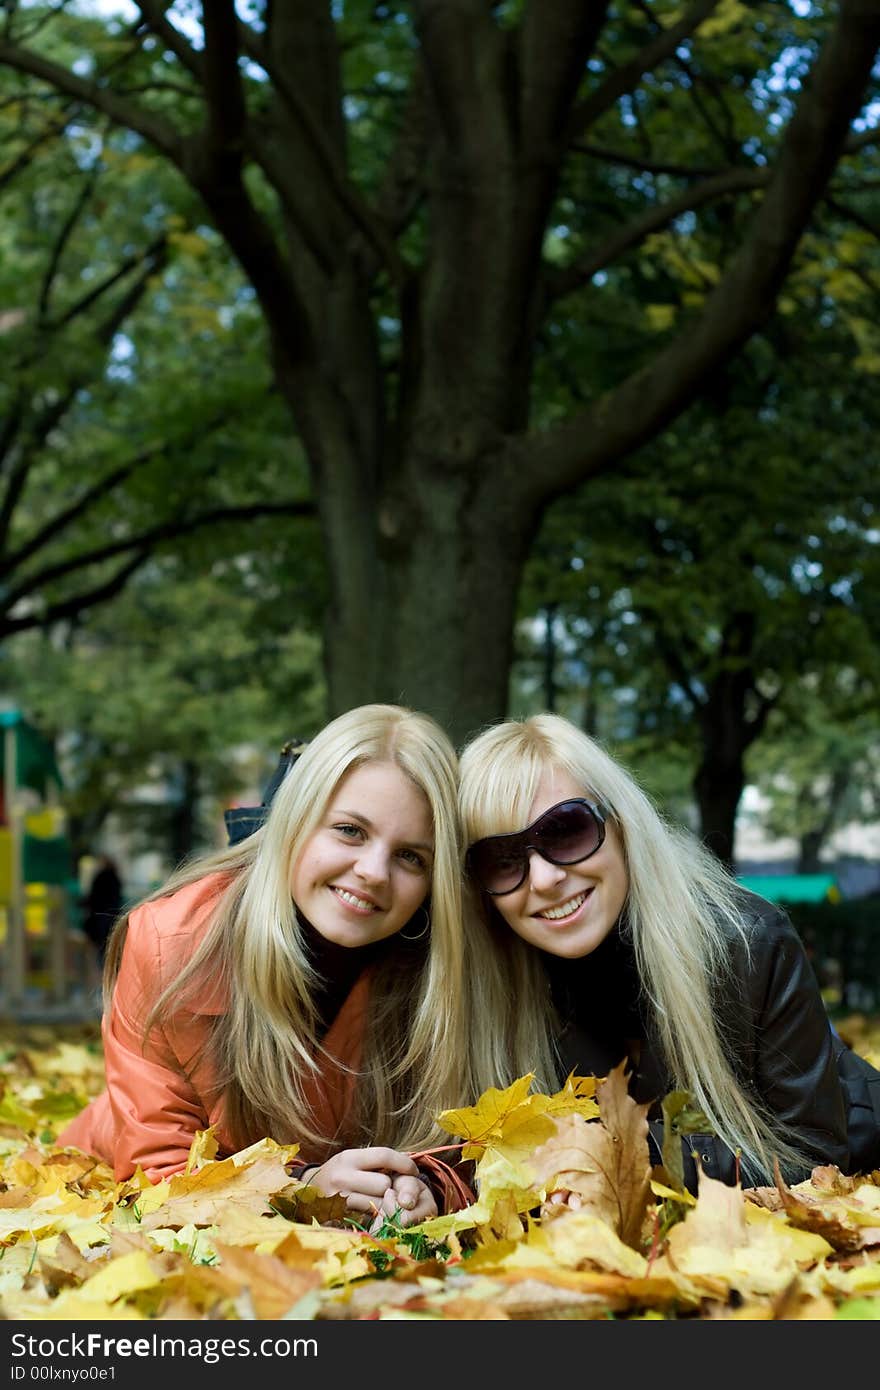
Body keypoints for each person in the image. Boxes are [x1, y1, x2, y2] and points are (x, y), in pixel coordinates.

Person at [59, 704, 475, 1227]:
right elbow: (157, 1176)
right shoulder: (174, 944)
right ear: (295, 822)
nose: (372, 872)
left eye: (411, 856)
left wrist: (431, 1188)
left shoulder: (439, 967)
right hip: (98, 1181)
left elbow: (469, 1147)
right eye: (349, 830)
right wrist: (299, 1190)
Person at [458, 712, 880, 1193]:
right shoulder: (497, 986)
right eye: (502, 860)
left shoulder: (749, 944)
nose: (545, 879)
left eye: (566, 831)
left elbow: (816, 1153)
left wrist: (618, 1159)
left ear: (620, 824)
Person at [80, 854, 123, 967]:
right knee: (109, 943)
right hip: (112, 915)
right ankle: (108, 967)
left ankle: (100, 967)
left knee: (99, 945)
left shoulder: (100, 877)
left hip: (100, 916)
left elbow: (93, 897)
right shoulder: (115, 878)